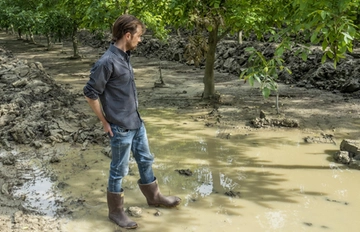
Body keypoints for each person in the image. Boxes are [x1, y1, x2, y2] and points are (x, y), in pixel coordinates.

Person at [83, 14, 181, 229]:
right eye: (138, 36)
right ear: (127, 35)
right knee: (119, 170)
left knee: (146, 159)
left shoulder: (124, 56)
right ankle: (116, 212)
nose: (141, 39)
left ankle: (154, 196)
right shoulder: (107, 62)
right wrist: (104, 122)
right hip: (120, 127)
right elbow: (90, 93)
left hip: (136, 123)